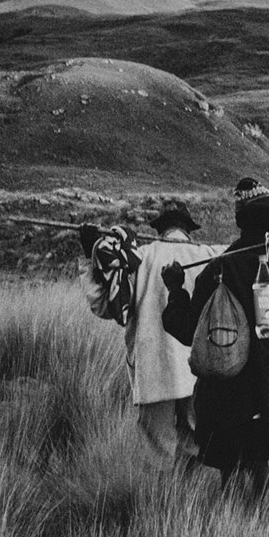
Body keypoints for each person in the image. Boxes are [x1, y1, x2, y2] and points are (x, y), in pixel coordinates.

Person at [160, 178, 269, 498]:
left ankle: (233, 527)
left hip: (224, 400)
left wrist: (175, 289)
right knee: (258, 460)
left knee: (231, 469)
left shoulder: (217, 270)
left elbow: (186, 331)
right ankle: (257, 527)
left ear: (240, 221)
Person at [79, 200, 219, 470]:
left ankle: (159, 504)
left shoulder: (138, 258)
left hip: (154, 368)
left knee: (156, 450)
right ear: (189, 230)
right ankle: (195, 505)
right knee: (197, 442)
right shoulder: (208, 256)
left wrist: (90, 257)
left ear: (159, 230)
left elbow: (106, 307)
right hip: (199, 369)